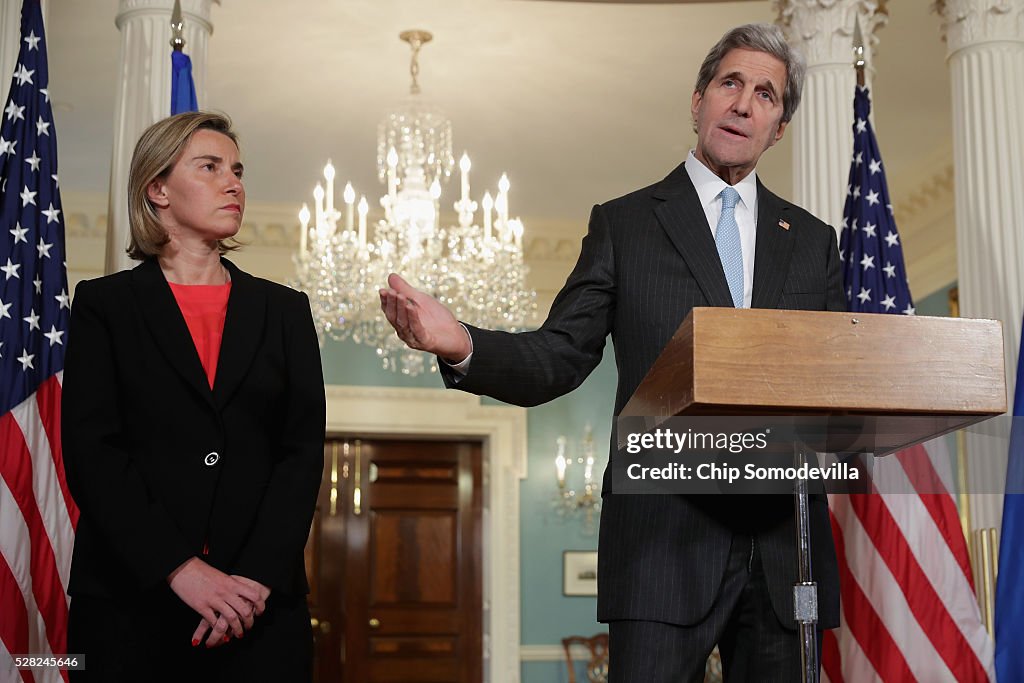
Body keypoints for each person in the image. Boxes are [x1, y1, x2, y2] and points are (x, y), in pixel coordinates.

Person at [380, 23, 844, 682]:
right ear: (698, 100)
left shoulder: (813, 242)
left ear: (779, 128)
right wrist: (463, 343)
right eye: (729, 83)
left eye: (765, 94)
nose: (743, 103)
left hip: (782, 553)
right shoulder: (625, 224)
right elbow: (559, 354)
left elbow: (839, 383)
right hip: (660, 545)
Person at [62, 111, 326, 682]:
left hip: (261, 610)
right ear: (157, 188)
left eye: (237, 170)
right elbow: (94, 453)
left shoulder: (285, 311)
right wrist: (179, 569)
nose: (233, 183)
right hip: (129, 605)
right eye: (209, 167)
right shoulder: (104, 306)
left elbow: (300, 455)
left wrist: (254, 579)